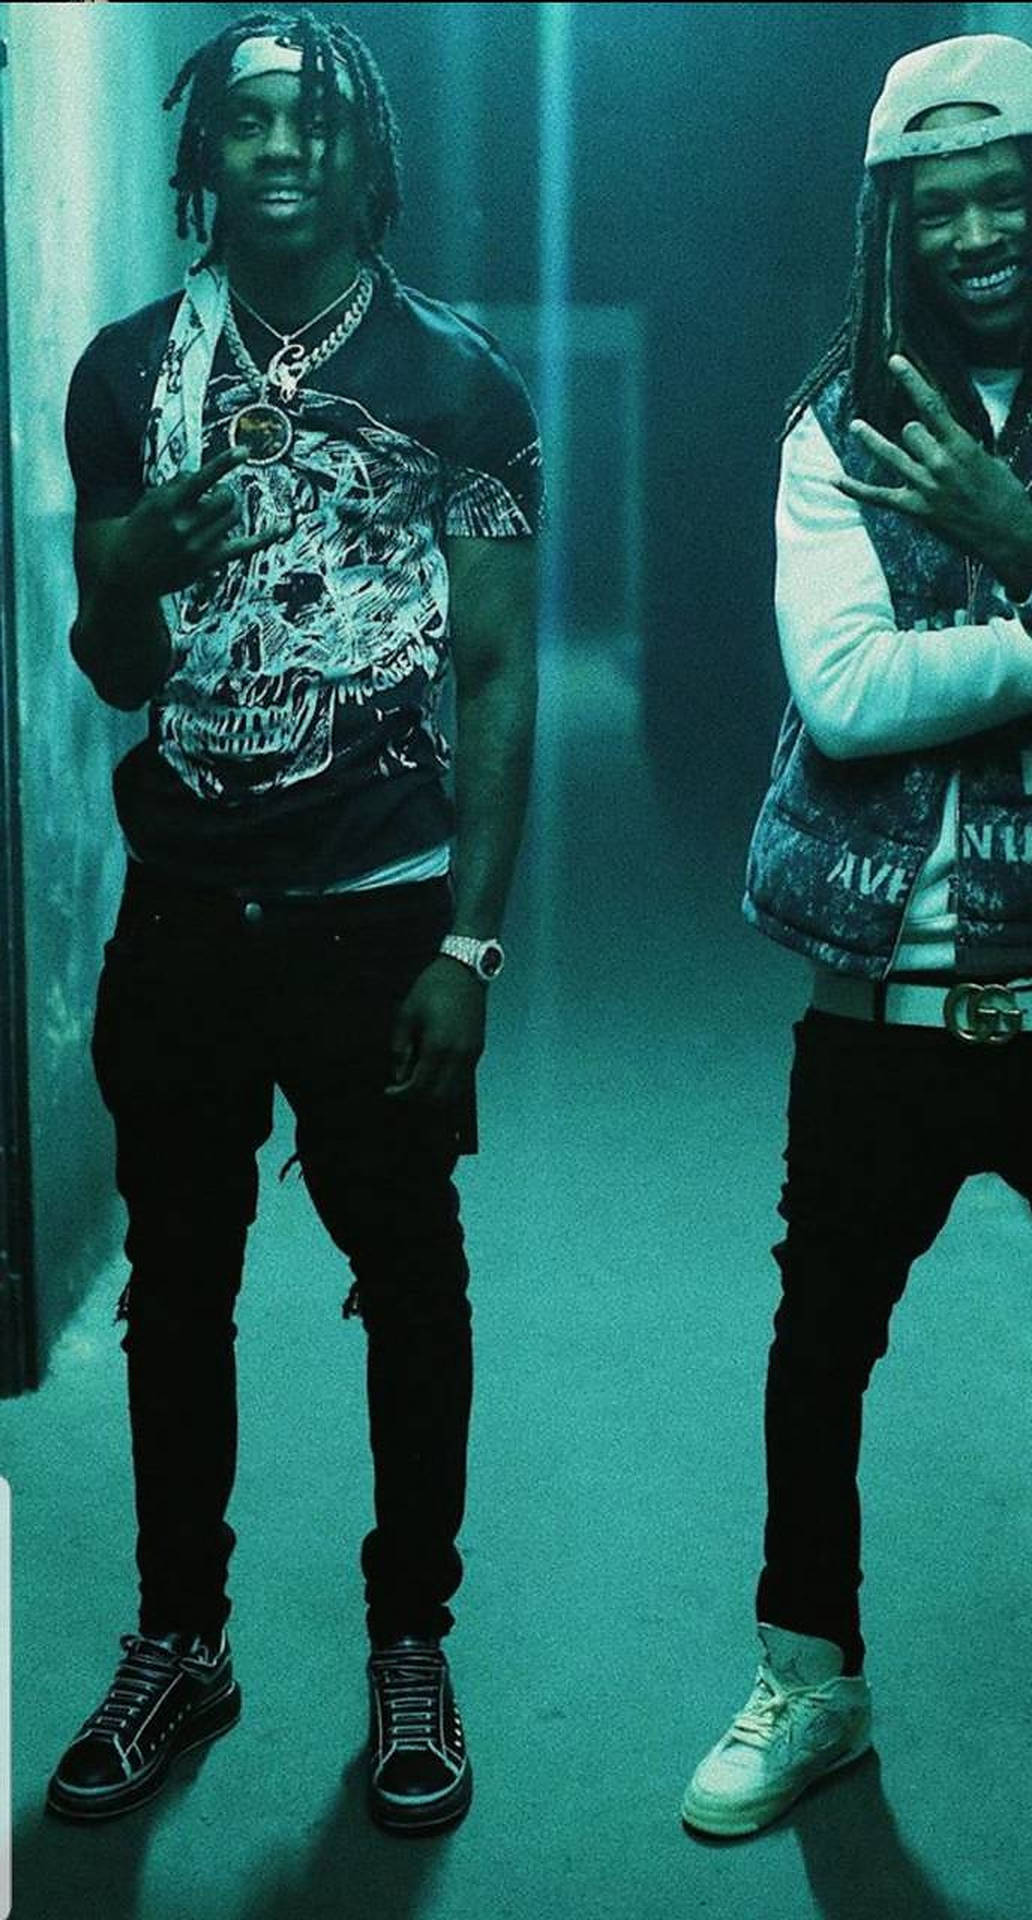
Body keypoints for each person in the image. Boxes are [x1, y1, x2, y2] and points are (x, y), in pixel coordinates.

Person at [681, 33, 1032, 1914]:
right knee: (819, 1351)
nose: (972, 233)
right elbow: (850, 695)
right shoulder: (830, 428)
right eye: (935, 208)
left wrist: (1029, 561)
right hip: (880, 1005)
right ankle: (810, 1680)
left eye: (1001, 194)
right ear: (894, 229)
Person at [46, 9, 541, 1836]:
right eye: (248, 121)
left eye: (314, 123)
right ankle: (180, 1639)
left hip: (376, 919)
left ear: (365, 157)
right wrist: (126, 572)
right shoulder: (126, 375)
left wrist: (468, 949)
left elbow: (496, 677)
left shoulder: (458, 382)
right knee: (178, 1294)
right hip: (184, 916)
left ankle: (411, 1643)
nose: (279, 148)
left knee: (407, 1283)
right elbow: (114, 669)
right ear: (204, 156)